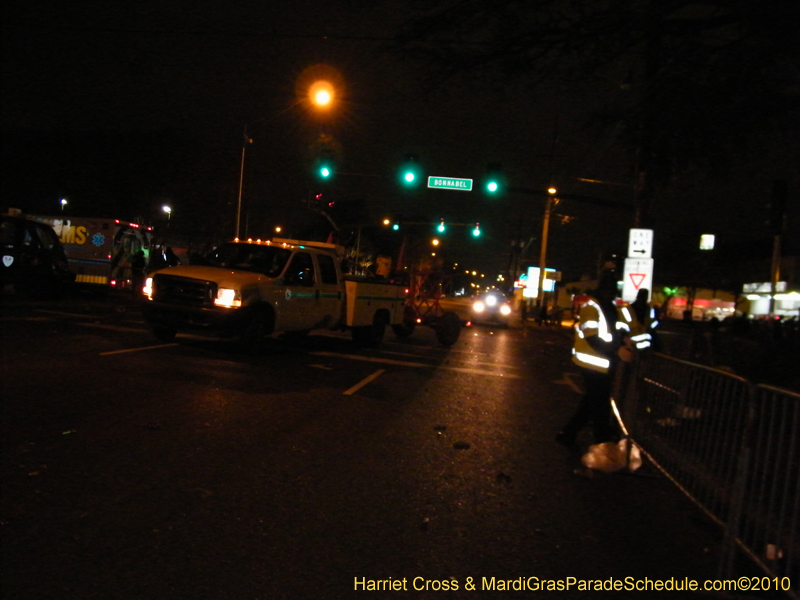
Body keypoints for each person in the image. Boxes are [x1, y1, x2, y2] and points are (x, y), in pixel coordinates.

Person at [556, 272, 635, 448]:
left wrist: (624, 340)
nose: (611, 294)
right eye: (609, 290)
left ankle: (569, 433)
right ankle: (602, 438)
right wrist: (617, 349)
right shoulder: (591, 308)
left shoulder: (612, 308)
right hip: (592, 362)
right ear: (602, 290)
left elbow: (616, 331)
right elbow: (592, 338)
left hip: (605, 362)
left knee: (592, 400)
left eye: (613, 291)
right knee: (599, 401)